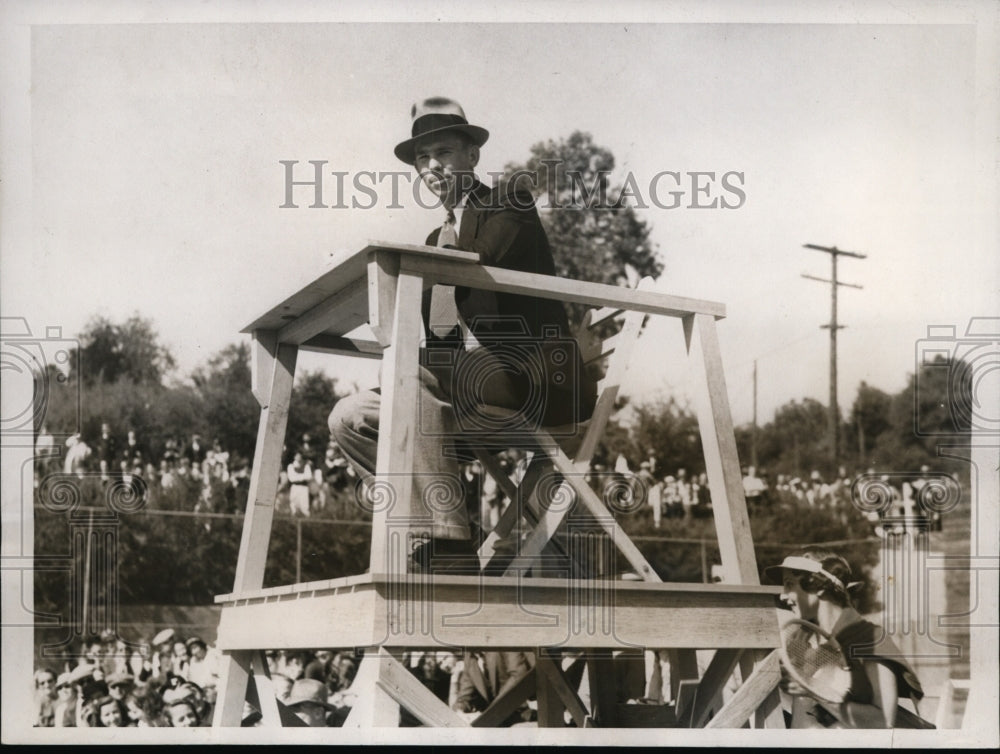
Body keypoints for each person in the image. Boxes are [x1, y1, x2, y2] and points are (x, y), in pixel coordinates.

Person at [329, 97, 596, 574]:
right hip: (466, 390)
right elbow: (441, 335)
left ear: (472, 156)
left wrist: (419, 274)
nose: (431, 166)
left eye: (444, 153)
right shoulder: (436, 239)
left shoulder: (508, 200)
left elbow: (479, 260)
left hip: (532, 378)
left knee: (407, 373)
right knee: (350, 416)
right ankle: (434, 530)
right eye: (421, 159)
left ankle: (446, 545)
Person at [769, 549, 927, 729]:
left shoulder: (870, 639)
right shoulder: (801, 639)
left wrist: (814, 691)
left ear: (818, 586)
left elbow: (883, 721)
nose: (783, 595)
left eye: (789, 585)